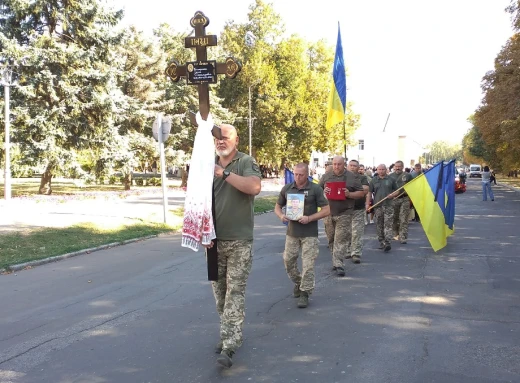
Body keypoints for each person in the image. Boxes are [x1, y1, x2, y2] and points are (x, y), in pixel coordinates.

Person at [210, 124, 262, 368]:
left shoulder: (245, 161)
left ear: (236, 140)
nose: (221, 141)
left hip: (240, 240)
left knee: (235, 292)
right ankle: (227, 331)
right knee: (219, 293)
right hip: (212, 241)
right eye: (218, 138)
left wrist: (224, 174)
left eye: (226, 137)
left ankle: (230, 344)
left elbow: (254, 188)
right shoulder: (207, 162)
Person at [275, 163, 330, 308]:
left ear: (307, 175)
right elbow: (277, 206)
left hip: (309, 233)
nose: (297, 177)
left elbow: (326, 210)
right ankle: (299, 282)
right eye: (295, 174)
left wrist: (310, 218)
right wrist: (281, 216)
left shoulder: (315, 189)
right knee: (288, 261)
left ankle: (305, 293)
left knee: (308, 265)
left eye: (301, 175)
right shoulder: (287, 188)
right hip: (292, 232)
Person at [319, 156, 364, 276]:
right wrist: (323, 193)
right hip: (328, 211)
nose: (336, 166)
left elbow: (361, 193)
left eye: (339, 164)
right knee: (331, 238)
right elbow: (317, 190)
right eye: (334, 164)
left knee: (341, 238)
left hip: (345, 212)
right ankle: (335, 259)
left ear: (344, 164)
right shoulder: (326, 176)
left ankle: (338, 264)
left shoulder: (352, 177)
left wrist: (349, 194)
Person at [367, 164, 398, 252]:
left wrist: (393, 195)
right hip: (378, 206)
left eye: (383, 169)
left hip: (388, 205)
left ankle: (388, 242)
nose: (381, 171)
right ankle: (381, 241)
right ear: (377, 170)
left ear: (386, 170)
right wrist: (367, 204)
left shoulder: (391, 179)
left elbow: (397, 191)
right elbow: (369, 193)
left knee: (388, 224)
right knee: (379, 224)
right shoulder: (374, 180)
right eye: (379, 169)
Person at [347, 160, 370, 263]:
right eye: (351, 165)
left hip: (358, 208)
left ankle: (356, 253)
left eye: (355, 166)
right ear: (347, 166)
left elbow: (365, 189)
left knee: (357, 231)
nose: (352, 167)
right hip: (344, 209)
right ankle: (348, 250)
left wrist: (350, 191)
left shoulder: (362, 178)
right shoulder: (342, 177)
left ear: (358, 167)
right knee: (346, 232)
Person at [389, 160, 414, 244]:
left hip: (404, 199)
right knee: (394, 218)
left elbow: (413, 186)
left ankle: (403, 237)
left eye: (399, 166)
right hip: (394, 199)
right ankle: (395, 234)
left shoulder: (407, 176)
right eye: (396, 166)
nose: (397, 168)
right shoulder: (390, 176)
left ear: (402, 167)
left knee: (403, 219)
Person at [323, 164, 335, 249]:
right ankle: (331, 242)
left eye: (328, 171)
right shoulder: (324, 178)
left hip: (339, 207)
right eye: (325, 171)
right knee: (328, 226)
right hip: (327, 206)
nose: (326, 173)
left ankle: (337, 243)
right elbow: (318, 188)